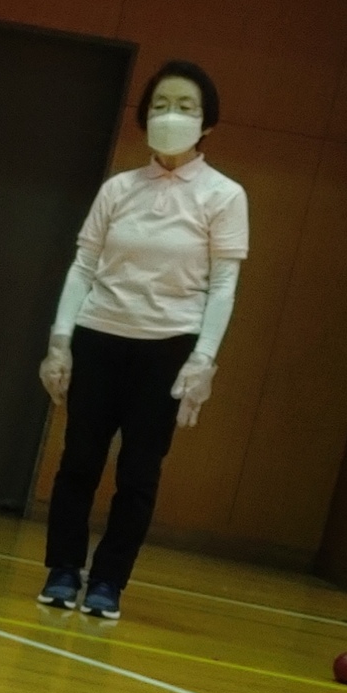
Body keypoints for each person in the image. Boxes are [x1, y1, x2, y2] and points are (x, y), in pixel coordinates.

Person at [37, 60, 247, 623]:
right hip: (99, 337)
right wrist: (60, 340)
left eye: (185, 106)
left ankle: (109, 581)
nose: (170, 115)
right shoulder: (118, 189)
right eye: (160, 104)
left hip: (168, 348)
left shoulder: (225, 196)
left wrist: (203, 358)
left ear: (207, 122)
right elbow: (83, 266)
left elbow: (223, 286)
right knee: (79, 461)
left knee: (138, 473)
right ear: (144, 116)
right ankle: (62, 569)